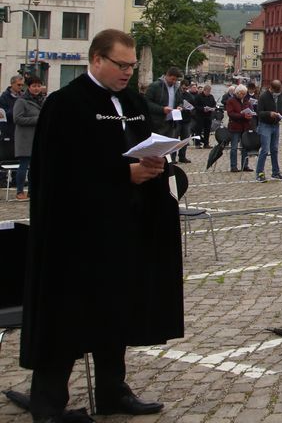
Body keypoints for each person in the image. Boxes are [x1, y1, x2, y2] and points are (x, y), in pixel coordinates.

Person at [21, 29, 183, 421]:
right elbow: (59, 171)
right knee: (67, 316)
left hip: (126, 228)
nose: (129, 72)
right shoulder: (66, 105)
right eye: (121, 65)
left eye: (132, 65)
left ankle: (113, 390)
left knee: (117, 311)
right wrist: (121, 174)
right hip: (77, 233)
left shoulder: (133, 102)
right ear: (96, 60)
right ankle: (49, 401)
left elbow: (144, 145)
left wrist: (155, 166)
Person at [11, 76, 46, 201]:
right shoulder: (22, 101)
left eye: (38, 86)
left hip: (39, 138)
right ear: (29, 87)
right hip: (25, 138)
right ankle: (20, 191)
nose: (37, 89)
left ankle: (32, 191)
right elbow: (17, 118)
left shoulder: (43, 100)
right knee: (24, 165)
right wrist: (37, 120)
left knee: (35, 167)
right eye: (34, 86)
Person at [145, 66, 187, 162]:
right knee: (158, 149)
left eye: (176, 80)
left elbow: (180, 101)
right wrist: (162, 109)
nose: (173, 82)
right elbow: (146, 103)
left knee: (169, 148)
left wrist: (180, 106)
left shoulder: (176, 88)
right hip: (158, 123)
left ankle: (169, 167)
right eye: (172, 79)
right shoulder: (155, 86)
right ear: (167, 75)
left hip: (171, 122)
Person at [225, 85, 255, 172]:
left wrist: (250, 115)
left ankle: (245, 165)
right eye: (242, 93)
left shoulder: (246, 101)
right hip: (235, 127)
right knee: (234, 147)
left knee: (245, 147)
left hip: (245, 126)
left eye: (245, 94)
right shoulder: (231, 101)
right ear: (237, 93)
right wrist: (243, 115)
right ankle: (233, 166)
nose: (243, 95)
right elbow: (230, 114)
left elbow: (250, 110)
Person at [0, 74, 23, 170]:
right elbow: (4, 113)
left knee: (18, 158)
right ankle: (4, 179)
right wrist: (17, 110)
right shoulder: (4, 97)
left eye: (22, 85)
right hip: (9, 131)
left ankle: (15, 177)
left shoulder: (23, 96)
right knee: (7, 156)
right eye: (19, 85)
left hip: (20, 131)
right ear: (12, 84)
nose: (21, 87)